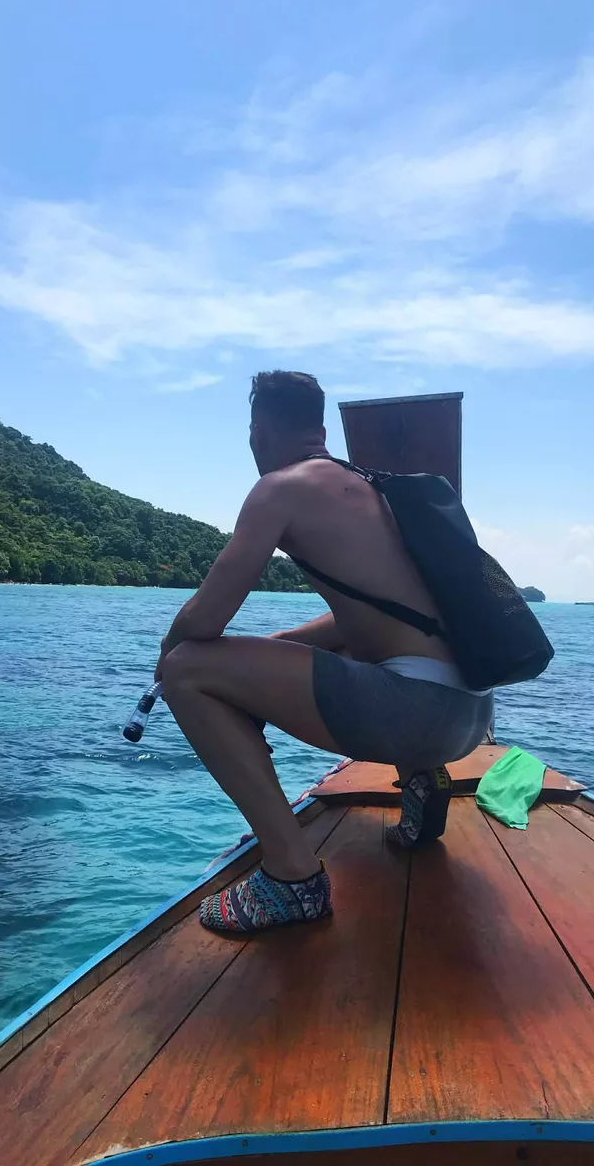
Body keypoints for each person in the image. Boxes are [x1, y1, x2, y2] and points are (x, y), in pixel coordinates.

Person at [156, 370, 493, 934]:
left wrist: (169, 654)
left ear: (258, 433)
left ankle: (292, 878)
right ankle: (420, 781)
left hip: (416, 714)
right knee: (358, 647)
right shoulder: (374, 487)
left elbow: (203, 622)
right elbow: (365, 620)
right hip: (471, 716)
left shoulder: (280, 488)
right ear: (319, 429)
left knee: (187, 670)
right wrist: (268, 656)